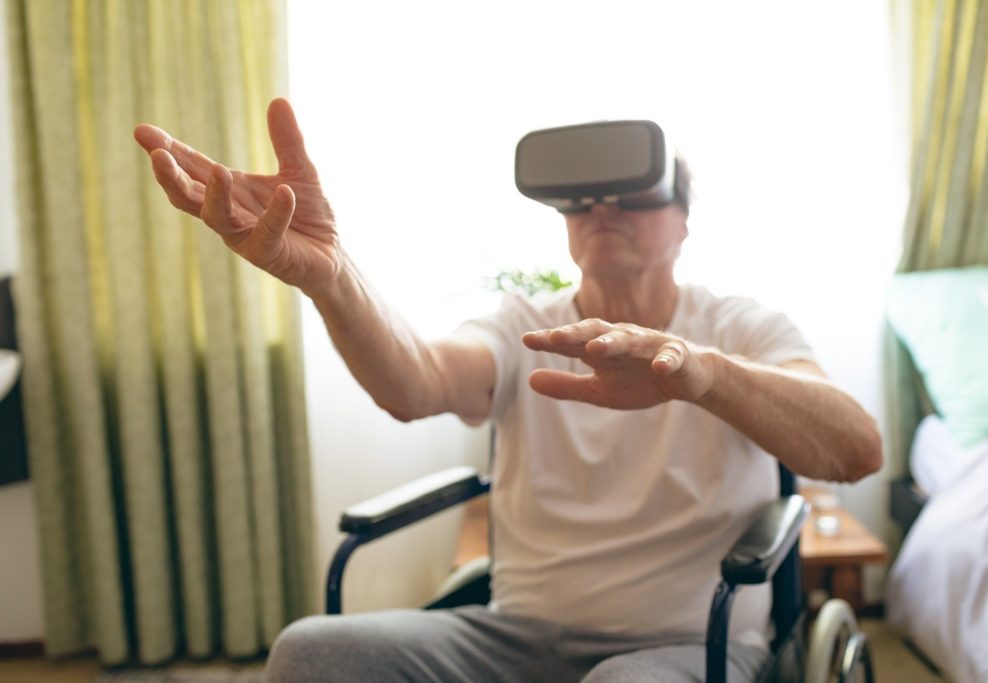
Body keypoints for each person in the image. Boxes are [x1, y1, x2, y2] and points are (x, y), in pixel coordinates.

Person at [134, 99, 882, 682]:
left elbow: (855, 446)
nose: (602, 209)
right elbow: (416, 381)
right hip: (515, 633)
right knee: (313, 652)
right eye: (582, 198)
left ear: (683, 219)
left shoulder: (741, 328)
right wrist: (331, 278)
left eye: (632, 192)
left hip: (690, 644)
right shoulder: (525, 326)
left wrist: (701, 373)